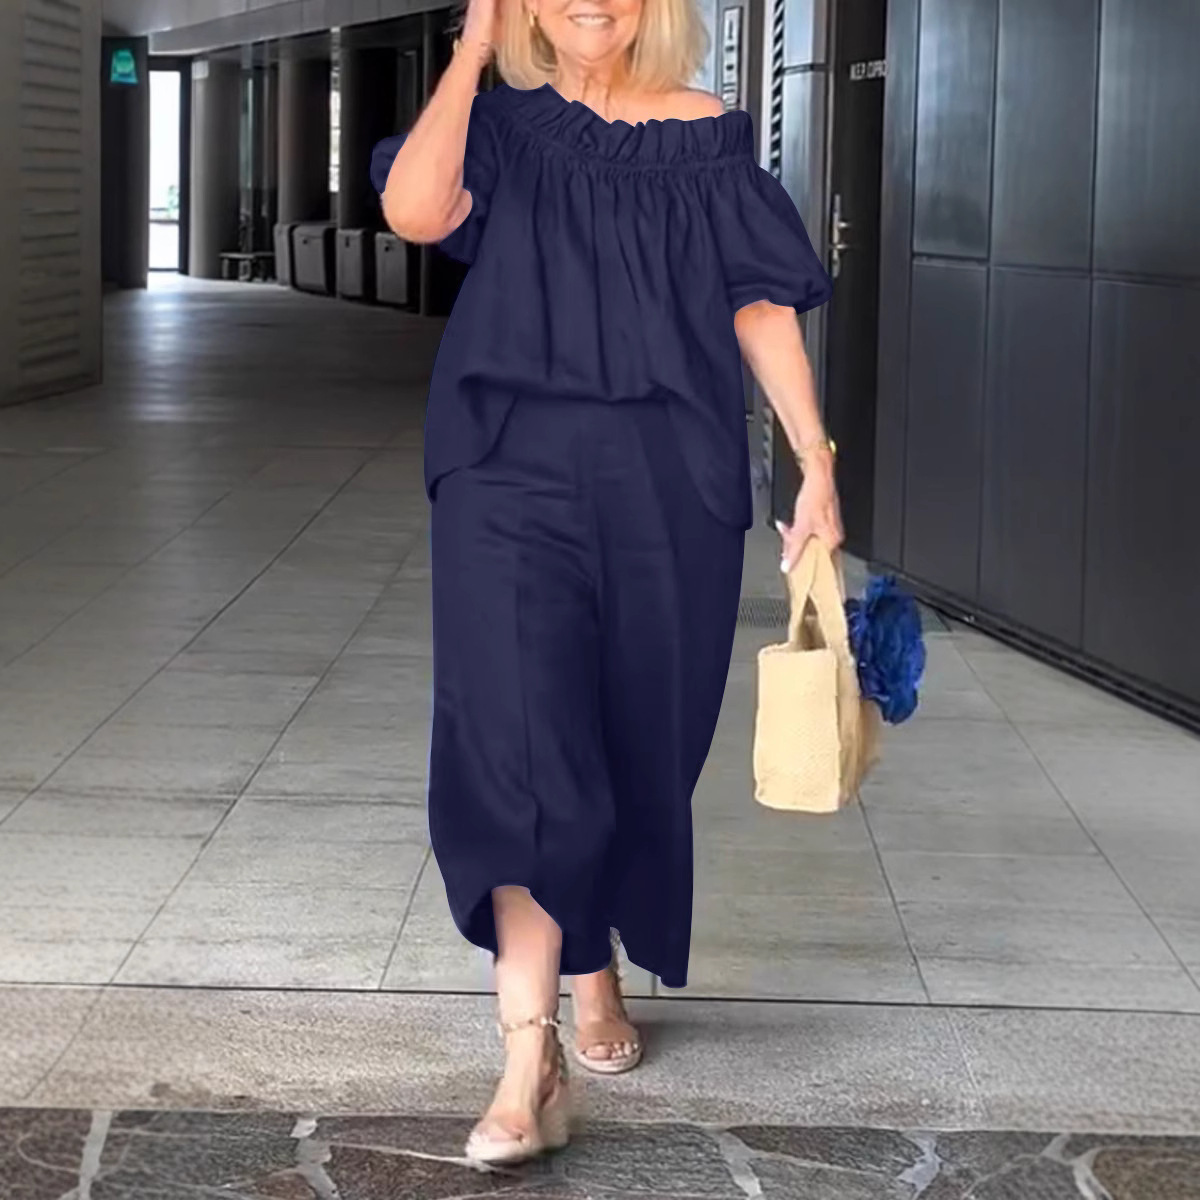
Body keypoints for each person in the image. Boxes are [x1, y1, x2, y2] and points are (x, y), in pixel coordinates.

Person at [371, 0, 843, 1166]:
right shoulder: (499, 126)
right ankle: (525, 1061)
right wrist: (474, 51)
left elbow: (757, 301)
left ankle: (595, 963)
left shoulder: (709, 134)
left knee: (637, 743)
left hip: (668, 485)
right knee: (519, 749)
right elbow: (415, 211)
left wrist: (816, 460)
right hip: (504, 476)